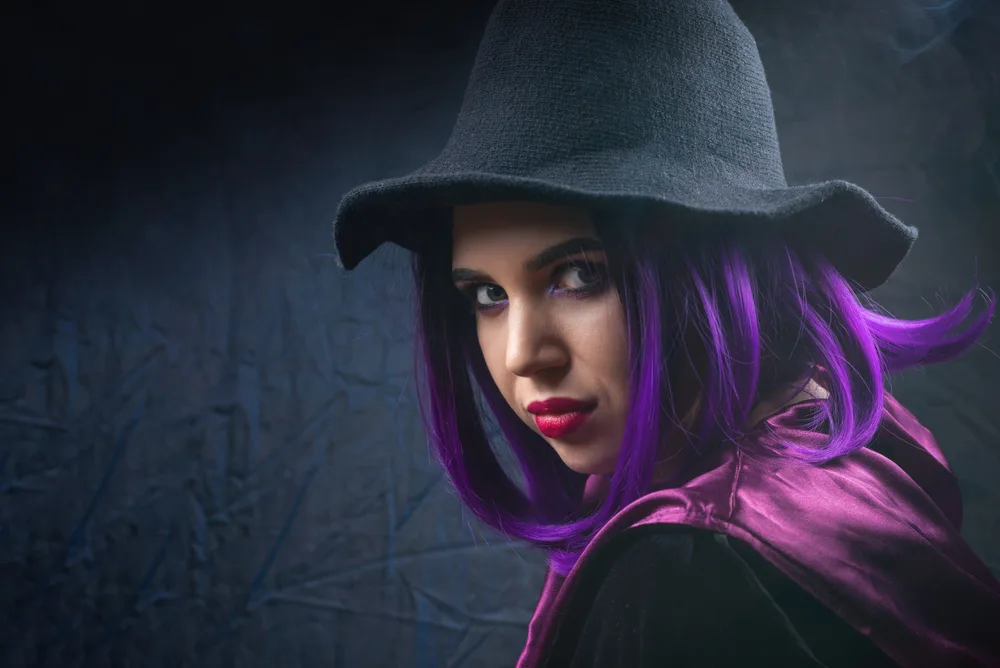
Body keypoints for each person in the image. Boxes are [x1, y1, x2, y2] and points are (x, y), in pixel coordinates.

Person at [330, 0, 1000, 666]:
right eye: (486, 294)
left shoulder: (685, 568)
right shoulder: (844, 454)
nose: (523, 355)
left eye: (578, 275)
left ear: (718, 269)